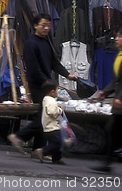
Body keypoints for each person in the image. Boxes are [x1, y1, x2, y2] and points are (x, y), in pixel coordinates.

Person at [8, 14, 77, 156]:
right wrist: (47, 84)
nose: (46, 28)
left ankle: (37, 150)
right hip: (38, 86)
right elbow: (33, 70)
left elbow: (54, 63)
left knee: (43, 117)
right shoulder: (31, 44)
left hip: (47, 85)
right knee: (44, 118)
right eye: (43, 25)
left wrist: (67, 75)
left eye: (48, 25)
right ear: (35, 26)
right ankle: (19, 137)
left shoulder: (46, 42)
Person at [91, 25, 122, 173]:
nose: (116, 39)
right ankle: (107, 163)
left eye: (120, 36)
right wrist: (104, 92)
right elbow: (117, 79)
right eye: (116, 36)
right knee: (112, 130)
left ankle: (108, 163)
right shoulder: (119, 55)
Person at [32, 81, 65, 164]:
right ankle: (42, 151)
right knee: (58, 142)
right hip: (52, 127)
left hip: (48, 126)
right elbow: (52, 112)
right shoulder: (51, 100)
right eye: (57, 90)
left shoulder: (46, 99)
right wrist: (60, 110)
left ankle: (56, 158)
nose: (58, 92)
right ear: (52, 92)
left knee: (56, 142)